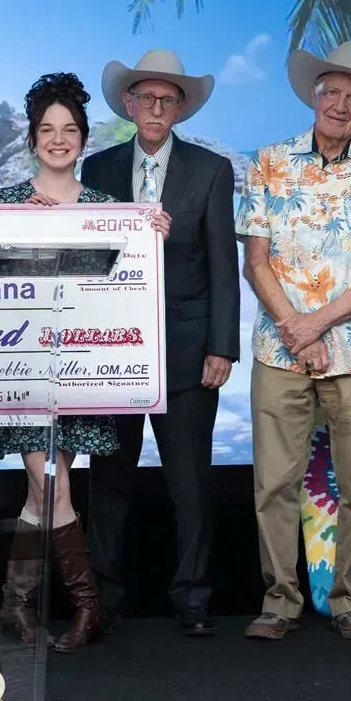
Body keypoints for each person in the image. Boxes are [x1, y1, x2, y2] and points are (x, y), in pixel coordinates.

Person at [0, 72, 171, 652]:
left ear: (84, 139)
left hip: (81, 368)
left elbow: (123, 285)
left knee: (44, 492)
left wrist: (151, 237)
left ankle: (14, 607)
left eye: (69, 130)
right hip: (17, 367)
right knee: (52, 488)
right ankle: (88, 609)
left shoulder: (105, 208)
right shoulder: (5, 204)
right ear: (32, 139)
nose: (58, 139)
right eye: (47, 129)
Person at [238, 43, 351, 642]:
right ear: (315, 97)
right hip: (276, 347)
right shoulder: (266, 163)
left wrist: (317, 325)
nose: (339, 104)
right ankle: (279, 601)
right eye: (331, 92)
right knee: (273, 483)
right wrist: (295, 327)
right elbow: (255, 261)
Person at [81, 50, 238, 636]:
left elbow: (224, 264)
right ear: (128, 104)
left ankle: (193, 599)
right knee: (110, 481)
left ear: (181, 108)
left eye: (166, 100)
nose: (154, 108)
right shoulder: (95, 170)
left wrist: (222, 347)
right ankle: (104, 599)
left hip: (189, 348)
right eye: (145, 98)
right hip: (112, 350)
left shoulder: (211, 170)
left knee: (191, 482)